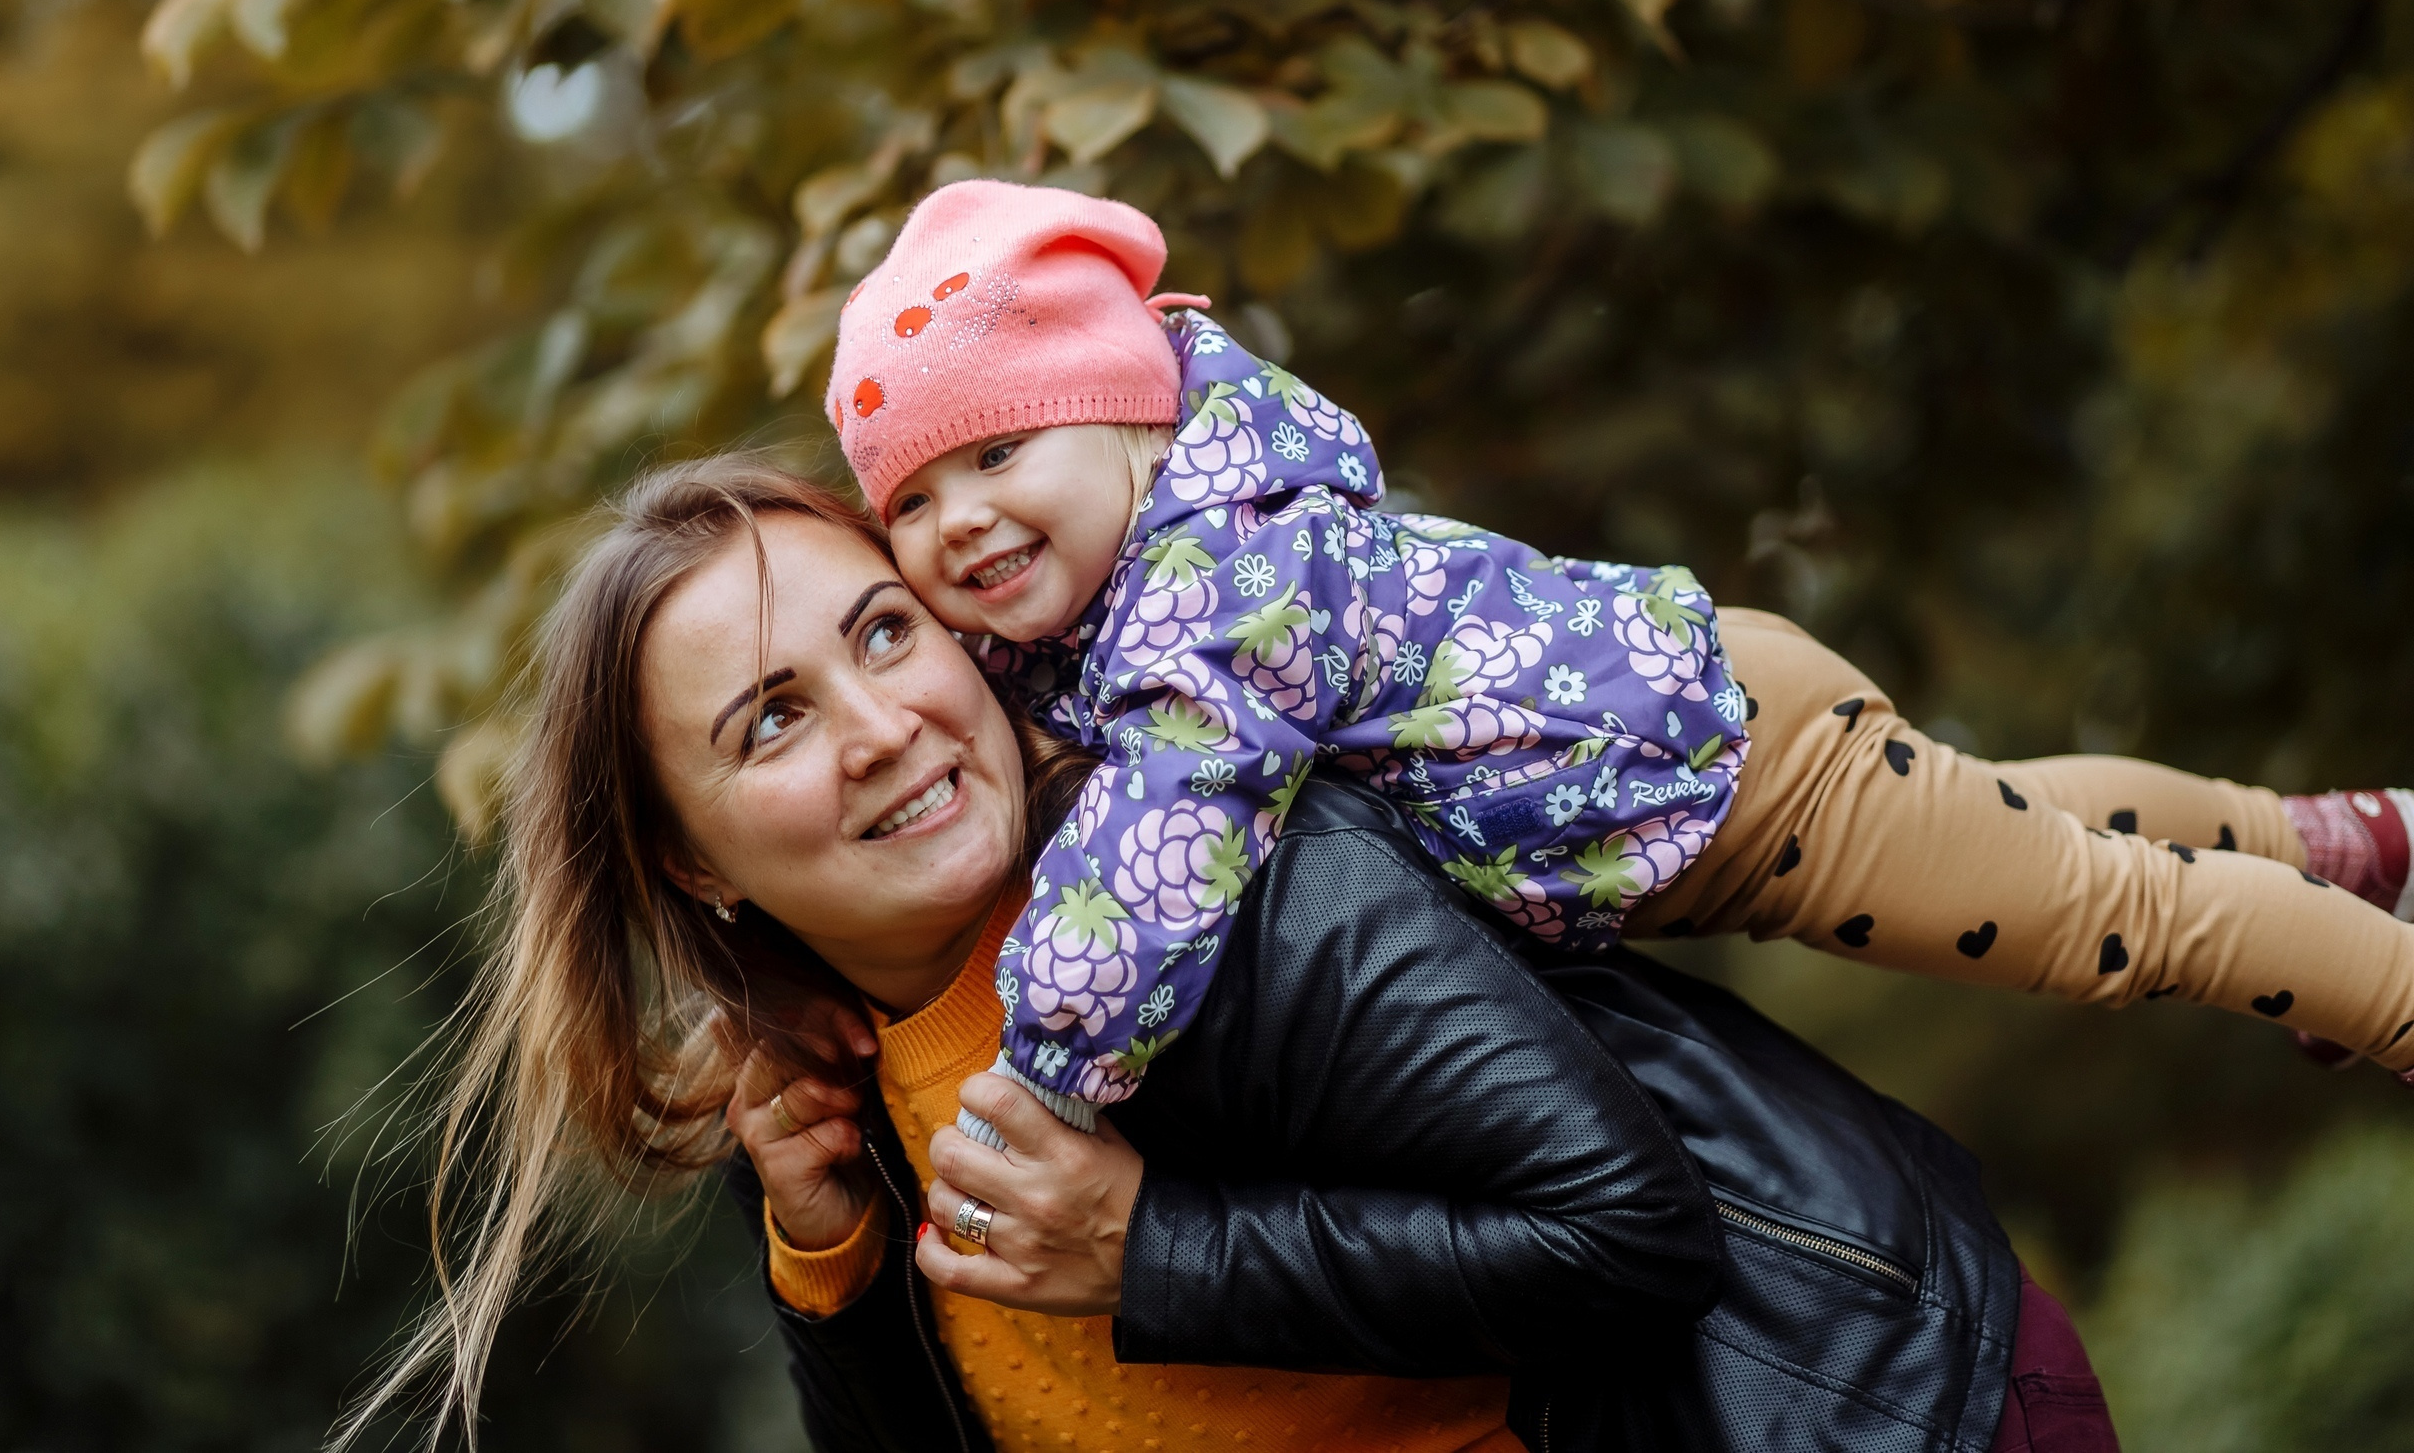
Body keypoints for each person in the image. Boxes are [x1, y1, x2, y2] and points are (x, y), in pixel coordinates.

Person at [336, 455, 2117, 1453]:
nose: (883, 724)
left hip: (1879, 1406)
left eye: (888, 630)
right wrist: (832, 1270)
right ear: (683, 861)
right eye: (772, 721)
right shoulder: (822, 1092)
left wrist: (1150, 1247)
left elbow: (1625, 1235)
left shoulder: (1208, 887)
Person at [822, 178, 2414, 1139]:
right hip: (1680, 773)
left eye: (1000, 453)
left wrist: (1043, 1066)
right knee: (2015, 818)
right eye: (912, 500)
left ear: (1129, 419)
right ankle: (2333, 843)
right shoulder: (1103, 620)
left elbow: (1165, 838)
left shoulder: (1228, 588)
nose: (959, 521)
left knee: (2106, 922)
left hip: (1738, 784)